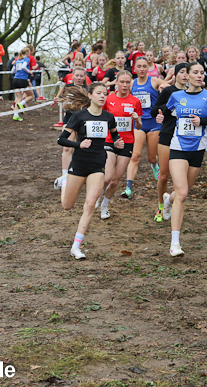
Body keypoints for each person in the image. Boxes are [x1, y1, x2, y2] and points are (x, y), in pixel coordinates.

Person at [163, 61, 207, 256]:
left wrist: (203, 121)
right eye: (195, 72)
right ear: (187, 76)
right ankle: (175, 243)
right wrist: (160, 117)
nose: (199, 75)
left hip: (198, 149)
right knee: (182, 193)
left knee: (182, 193)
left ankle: (168, 200)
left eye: (202, 73)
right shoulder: (176, 96)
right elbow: (166, 114)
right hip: (178, 148)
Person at [57, 82, 123, 260]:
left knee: (90, 205)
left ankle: (76, 247)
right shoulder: (79, 116)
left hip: (97, 165)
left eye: (105, 93)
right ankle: (64, 181)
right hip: (79, 164)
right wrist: (79, 144)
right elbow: (61, 140)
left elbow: (115, 135)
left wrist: (117, 142)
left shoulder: (108, 117)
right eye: (99, 93)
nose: (102, 96)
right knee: (67, 206)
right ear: (90, 95)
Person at [96, 71, 143, 219]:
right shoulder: (108, 99)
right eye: (122, 82)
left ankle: (104, 206)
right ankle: (97, 195)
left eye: (128, 82)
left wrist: (137, 120)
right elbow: (99, 117)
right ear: (116, 82)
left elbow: (139, 126)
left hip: (127, 142)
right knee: (107, 178)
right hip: (109, 141)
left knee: (115, 180)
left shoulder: (135, 101)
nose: (125, 85)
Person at [122, 56, 167, 198]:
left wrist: (163, 88)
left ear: (148, 68)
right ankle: (128, 188)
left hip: (154, 123)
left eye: (144, 66)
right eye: (139, 66)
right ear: (134, 68)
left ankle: (154, 165)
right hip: (138, 123)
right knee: (135, 155)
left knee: (152, 157)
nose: (142, 69)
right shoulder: (131, 84)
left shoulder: (154, 81)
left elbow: (170, 87)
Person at [151, 62, 189, 222]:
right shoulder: (168, 91)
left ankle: (173, 205)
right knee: (164, 176)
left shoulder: (194, 93)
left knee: (179, 179)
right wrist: (162, 112)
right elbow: (154, 111)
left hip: (185, 138)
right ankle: (161, 206)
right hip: (167, 135)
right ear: (175, 75)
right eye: (182, 72)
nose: (185, 75)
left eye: (187, 72)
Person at [53, 67, 90, 193]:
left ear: (84, 77)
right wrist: (56, 101)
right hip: (69, 119)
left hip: (83, 120)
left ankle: (80, 173)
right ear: (73, 76)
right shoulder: (67, 87)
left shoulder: (87, 89)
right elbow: (60, 98)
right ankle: (64, 177)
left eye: (81, 76)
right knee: (67, 148)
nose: (79, 78)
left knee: (81, 148)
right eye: (77, 75)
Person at [10, 47, 34, 122]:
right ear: (26, 52)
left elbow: (12, 71)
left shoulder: (17, 60)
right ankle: (22, 103)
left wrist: (18, 72)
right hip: (22, 80)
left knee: (18, 97)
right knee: (31, 95)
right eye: (29, 52)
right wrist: (29, 72)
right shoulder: (26, 59)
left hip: (15, 80)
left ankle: (16, 115)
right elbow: (24, 67)